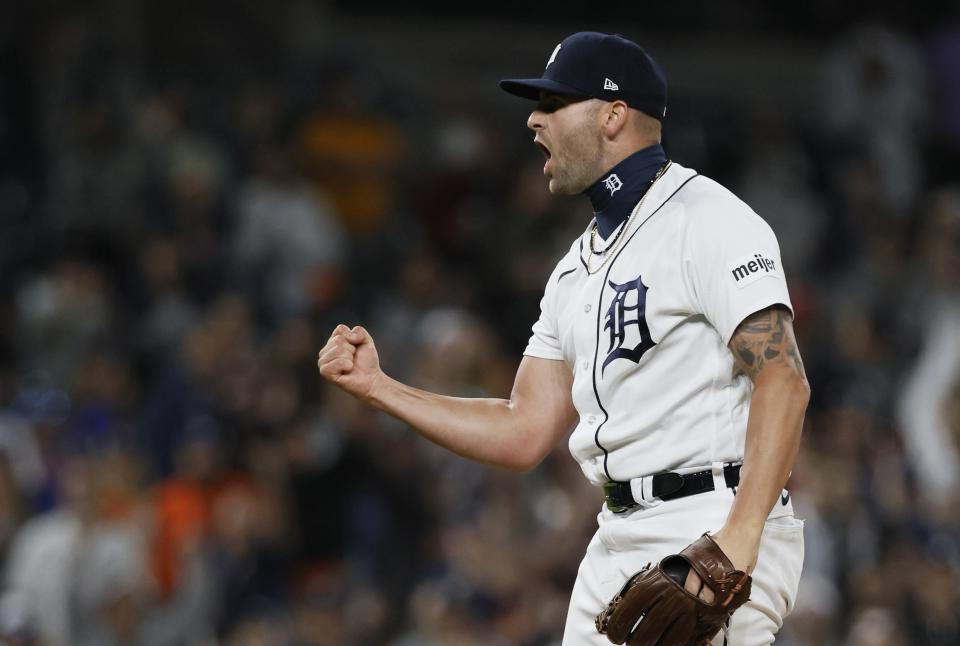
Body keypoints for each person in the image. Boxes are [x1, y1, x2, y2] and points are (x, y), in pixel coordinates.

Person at [318, 31, 809, 645]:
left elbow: (783, 381)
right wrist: (380, 389)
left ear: (612, 115)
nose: (533, 119)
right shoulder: (574, 271)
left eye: (554, 104)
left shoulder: (707, 218)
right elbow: (524, 430)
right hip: (617, 536)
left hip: (712, 520)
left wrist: (737, 538)